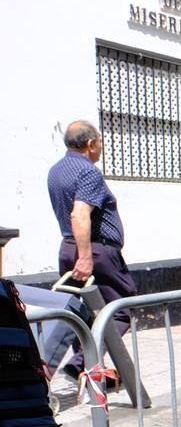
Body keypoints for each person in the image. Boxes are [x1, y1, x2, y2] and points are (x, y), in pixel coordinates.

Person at [45, 120, 139, 384]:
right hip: (96, 251)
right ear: (90, 144)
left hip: (68, 247)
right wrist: (86, 257)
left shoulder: (57, 170)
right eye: (99, 142)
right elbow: (80, 214)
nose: (101, 148)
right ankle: (81, 364)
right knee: (119, 309)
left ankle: (89, 369)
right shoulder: (89, 172)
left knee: (82, 312)